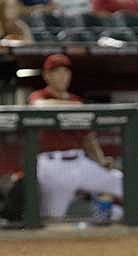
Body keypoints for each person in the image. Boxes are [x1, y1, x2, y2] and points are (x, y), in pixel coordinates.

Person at [28, 54, 123, 221]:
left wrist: (100, 161)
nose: (63, 76)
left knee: (120, 181)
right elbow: (39, 106)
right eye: (57, 72)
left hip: (80, 162)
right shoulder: (39, 95)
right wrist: (74, 107)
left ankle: (125, 221)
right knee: (52, 217)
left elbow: (88, 139)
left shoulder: (75, 99)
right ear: (47, 75)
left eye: (66, 72)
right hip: (52, 164)